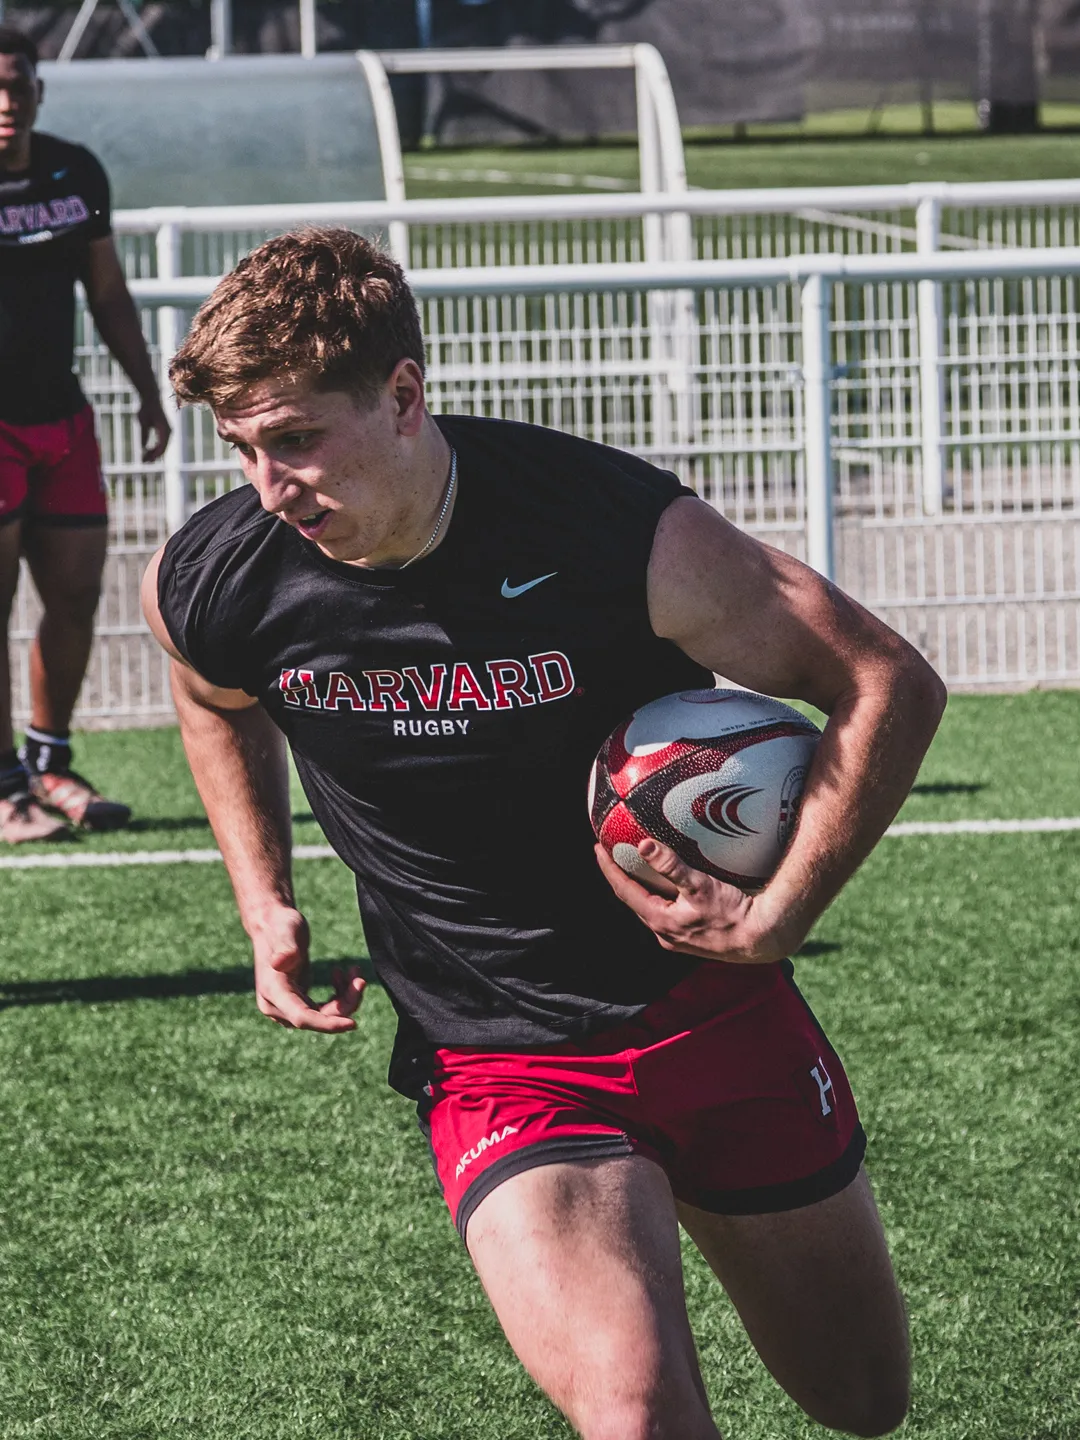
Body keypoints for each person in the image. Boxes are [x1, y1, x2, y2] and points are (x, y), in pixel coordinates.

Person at [142, 228, 946, 1440]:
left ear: (406, 395)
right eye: (243, 449)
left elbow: (885, 681)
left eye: (297, 439)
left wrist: (783, 913)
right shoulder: (226, 577)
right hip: (499, 1050)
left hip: (712, 1007)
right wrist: (263, 897)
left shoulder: (613, 531)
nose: (270, 486)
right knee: (632, 1408)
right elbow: (211, 696)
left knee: (862, 1399)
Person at [0, 25, 171, 843]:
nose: (5, 103)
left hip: (64, 420)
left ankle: (48, 759)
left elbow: (108, 294)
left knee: (74, 596)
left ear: (40, 90)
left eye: (18, 85)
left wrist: (148, 392)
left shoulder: (75, 172)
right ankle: (3, 787)